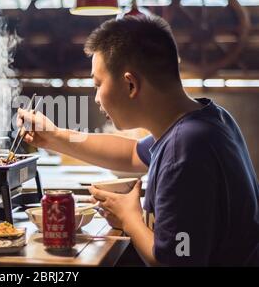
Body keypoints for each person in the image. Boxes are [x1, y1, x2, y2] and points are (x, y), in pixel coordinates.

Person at [17, 16, 259, 266]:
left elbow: (175, 262)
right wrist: (55, 137)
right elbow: (131, 153)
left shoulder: (184, 150)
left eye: (98, 84)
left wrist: (130, 218)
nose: (97, 98)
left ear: (130, 84)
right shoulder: (204, 121)